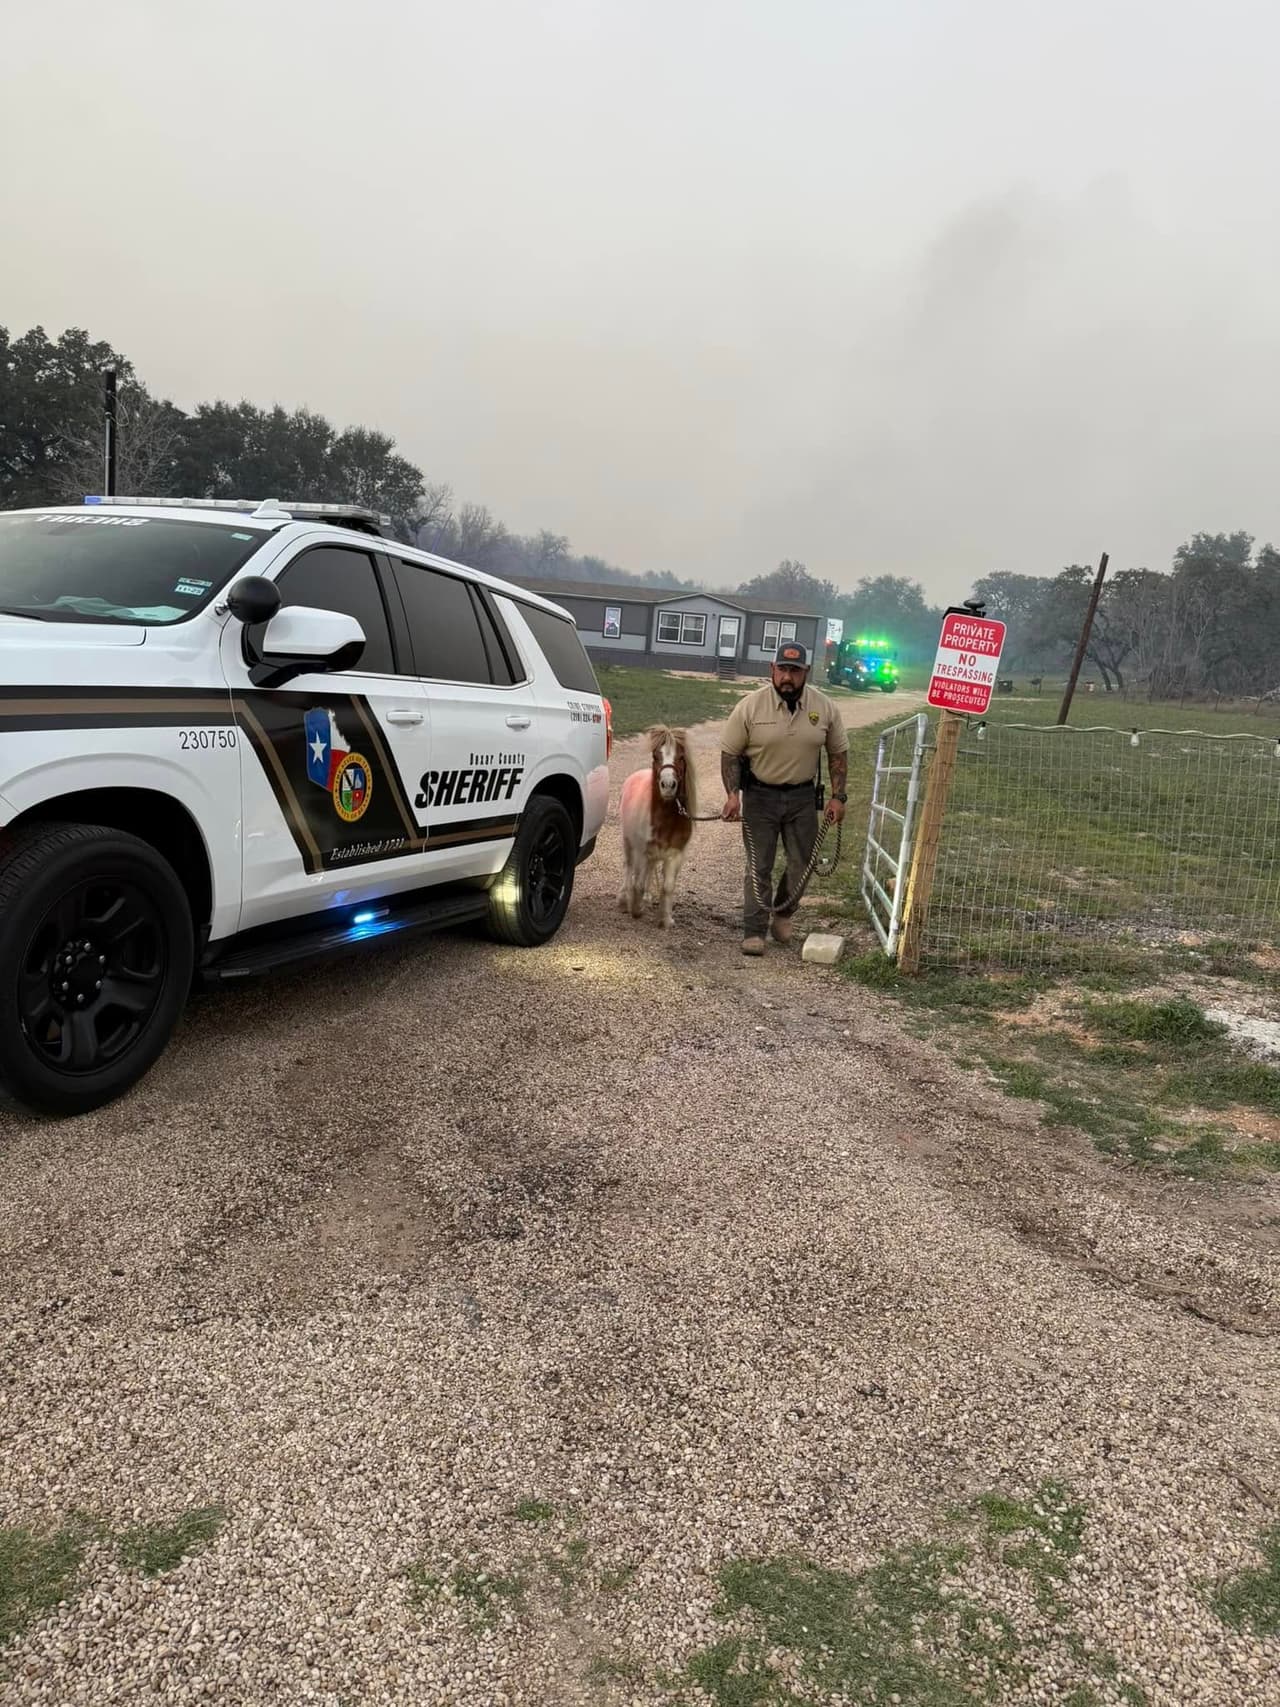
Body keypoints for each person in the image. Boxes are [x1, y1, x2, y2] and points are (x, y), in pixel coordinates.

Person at [720, 641, 849, 955]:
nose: (788, 677)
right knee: (758, 865)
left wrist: (838, 797)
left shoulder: (825, 707)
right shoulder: (749, 707)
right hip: (760, 797)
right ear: (772, 670)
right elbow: (730, 753)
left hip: (803, 798)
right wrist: (732, 796)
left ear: (806, 672)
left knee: (802, 863)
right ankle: (754, 931)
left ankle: (783, 913)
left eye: (795, 670)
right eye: (782, 670)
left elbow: (838, 753)